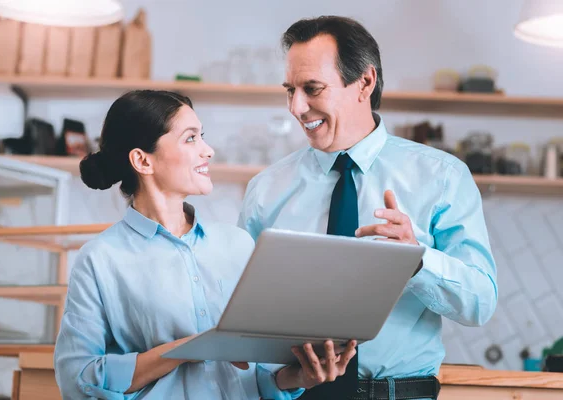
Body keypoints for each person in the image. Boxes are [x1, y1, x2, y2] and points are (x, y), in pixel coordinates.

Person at [238, 16, 498, 400]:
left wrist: (417, 259)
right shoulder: (265, 190)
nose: (296, 107)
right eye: (289, 90)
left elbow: (480, 304)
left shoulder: (442, 176)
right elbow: (243, 317)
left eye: (312, 88)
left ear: (364, 82)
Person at [53, 90, 357, 399]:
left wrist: (298, 376)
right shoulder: (100, 259)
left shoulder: (237, 245)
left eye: (203, 137)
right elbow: (76, 378)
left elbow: (256, 376)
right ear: (143, 160)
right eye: (190, 139)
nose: (208, 150)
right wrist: (180, 351)